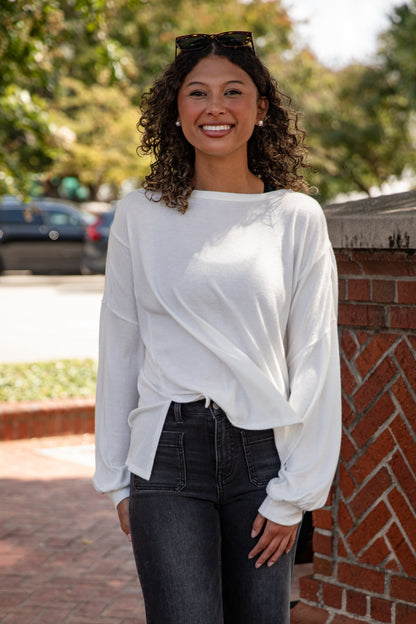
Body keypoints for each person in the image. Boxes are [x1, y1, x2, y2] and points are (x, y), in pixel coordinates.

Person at [93, 31, 341, 624]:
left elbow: (313, 358)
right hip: (167, 455)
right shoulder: (139, 215)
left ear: (261, 110)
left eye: (234, 92)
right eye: (197, 93)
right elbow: (120, 347)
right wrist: (117, 481)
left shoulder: (295, 218)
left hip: (263, 460)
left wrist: (295, 494)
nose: (215, 107)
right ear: (175, 112)